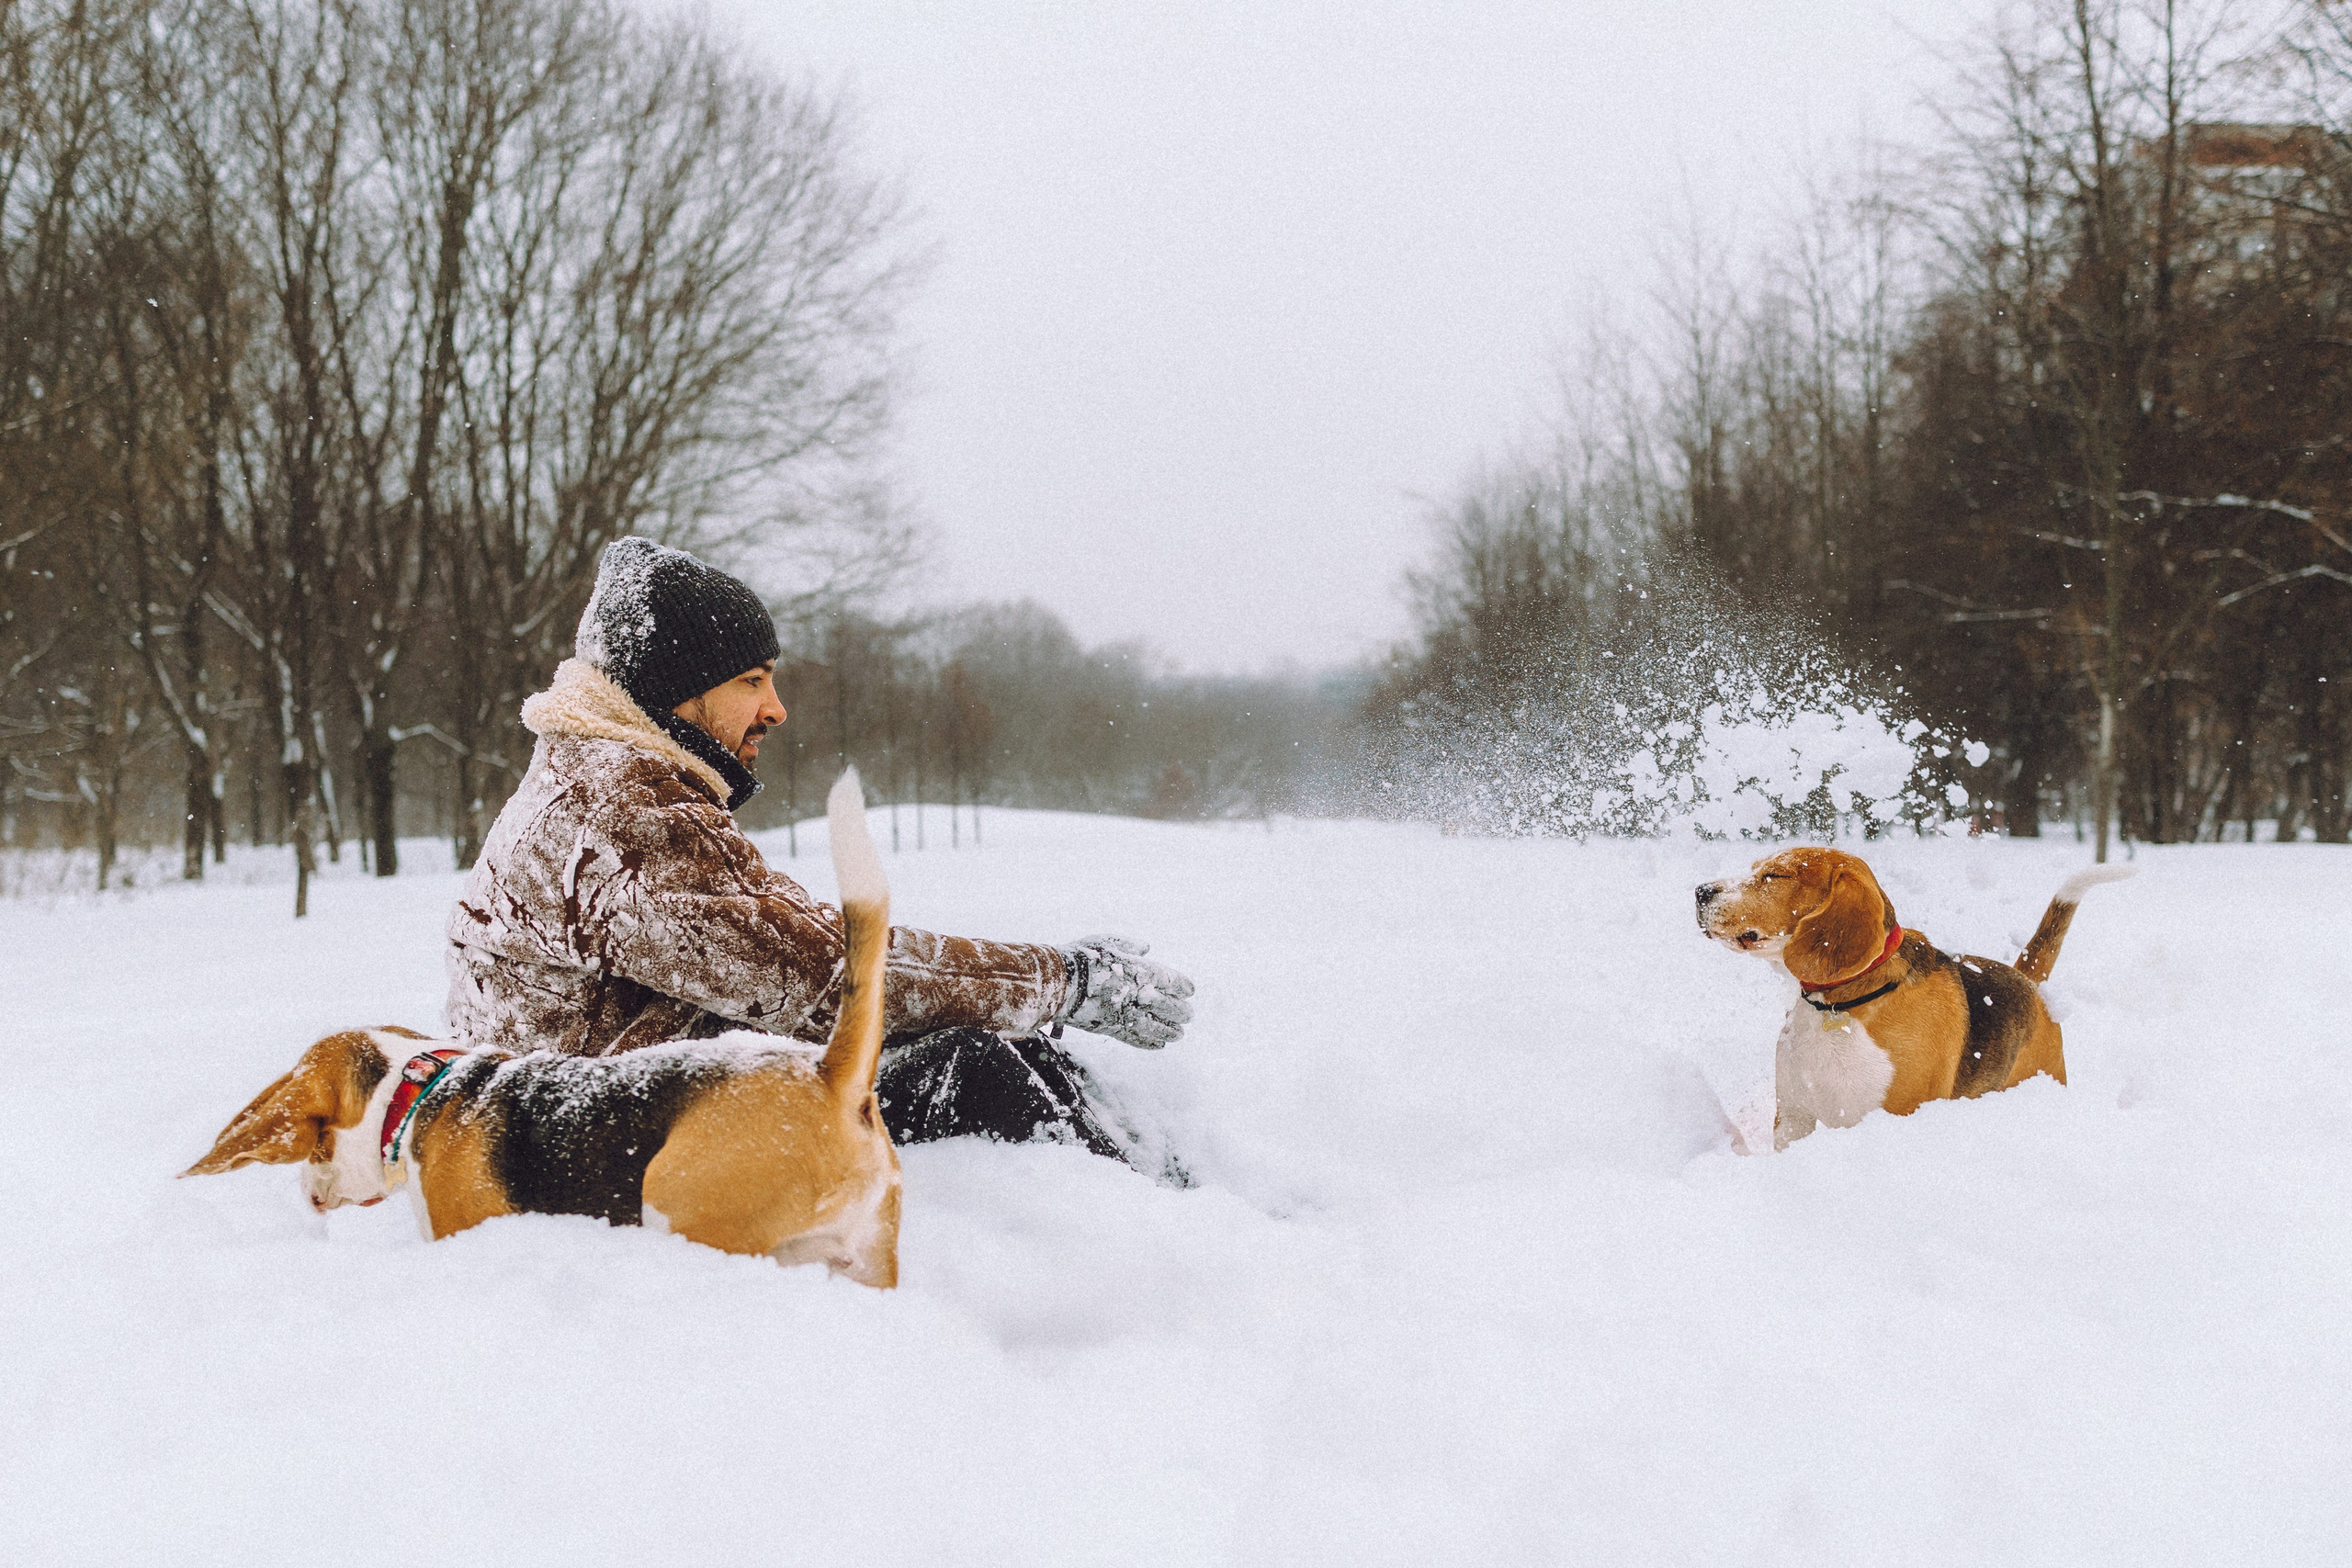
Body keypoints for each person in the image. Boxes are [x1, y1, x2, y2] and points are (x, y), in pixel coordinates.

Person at [444, 536, 1193, 1171]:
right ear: (671, 690)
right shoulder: (622, 815)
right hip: (586, 1155)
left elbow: (794, 939)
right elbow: (836, 977)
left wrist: (1034, 990)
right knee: (971, 1073)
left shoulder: (618, 784)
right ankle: (1137, 1227)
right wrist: (1065, 981)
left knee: (978, 1044)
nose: (776, 707)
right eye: (750, 681)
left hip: (621, 1112)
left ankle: (1155, 1181)